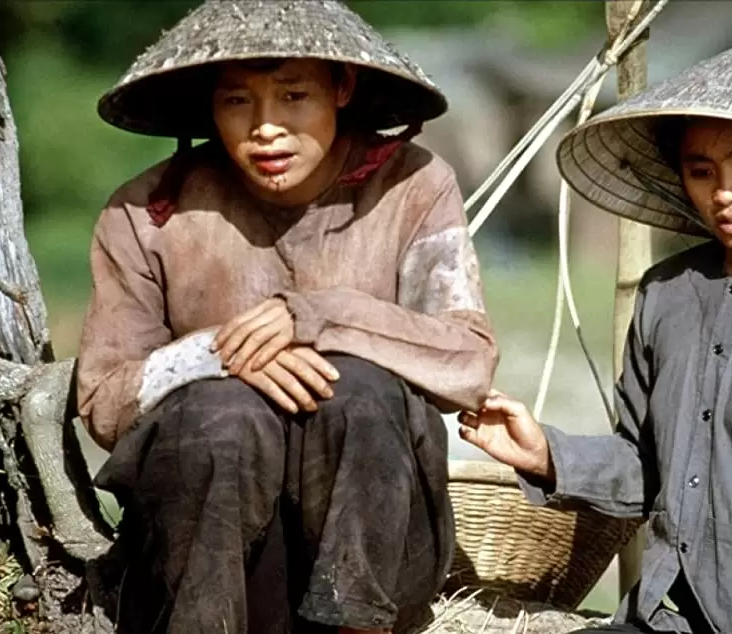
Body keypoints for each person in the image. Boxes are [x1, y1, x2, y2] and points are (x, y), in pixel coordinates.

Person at [75, 1, 498, 632]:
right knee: (223, 412)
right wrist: (218, 354)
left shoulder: (414, 185)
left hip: (375, 553)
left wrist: (320, 318)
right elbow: (105, 401)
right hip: (208, 557)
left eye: (294, 95)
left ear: (342, 88)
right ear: (209, 105)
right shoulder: (146, 212)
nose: (266, 128)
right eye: (237, 102)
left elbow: (467, 362)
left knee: (357, 389)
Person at [459, 40, 732, 633]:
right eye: (701, 171)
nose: (725, 193)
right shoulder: (666, 291)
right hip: (674, 612)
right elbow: (648, 468)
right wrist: (547, 454)